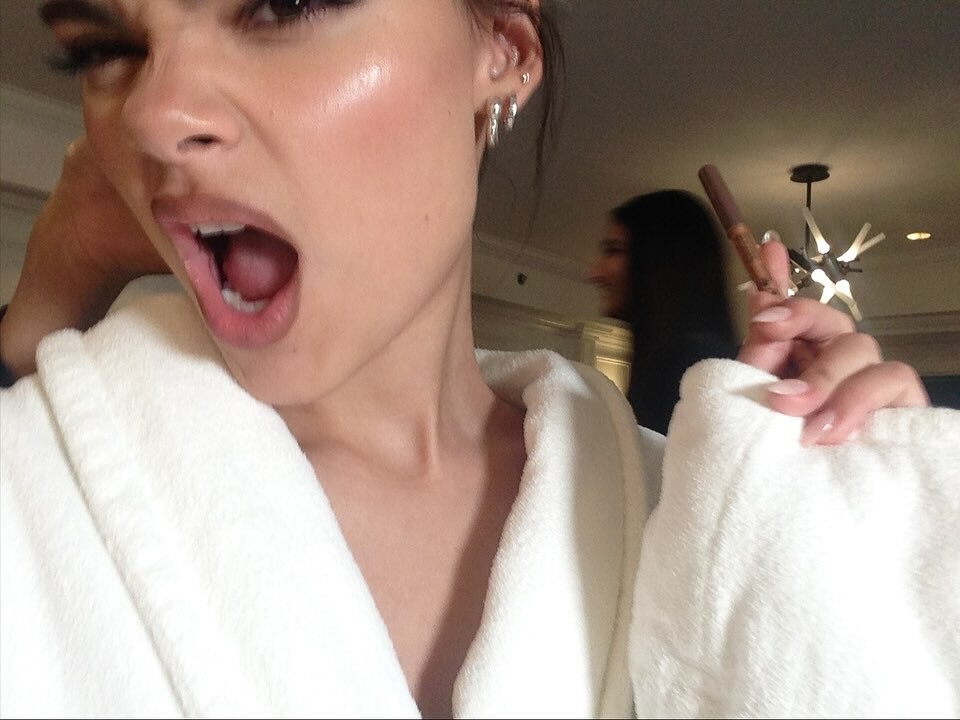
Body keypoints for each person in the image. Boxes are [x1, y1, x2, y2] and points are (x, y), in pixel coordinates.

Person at [1, 1, 955, 717]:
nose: (153, 112)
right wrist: (54, 279)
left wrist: (866, 537)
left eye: (284, 4)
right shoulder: (30, 488)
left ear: (502, 46)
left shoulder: (683, 515)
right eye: (102, 51)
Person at [585, 189, 740, 434]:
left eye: (614, 250)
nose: (594, 274)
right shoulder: (691, 360)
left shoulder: (686, 366)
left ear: (662, 259)